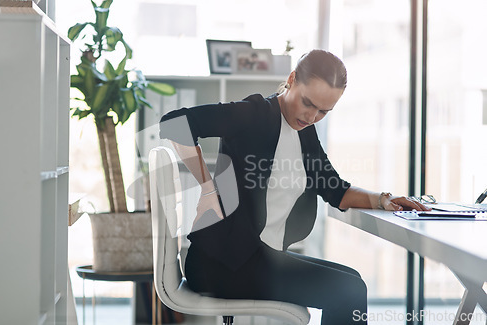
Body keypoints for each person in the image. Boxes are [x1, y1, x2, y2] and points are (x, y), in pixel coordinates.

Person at [158, 49, 430, 325]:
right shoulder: (253, 114)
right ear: (291, 80)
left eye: (324, 111)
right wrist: (207, 187)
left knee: (353, 281)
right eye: (308, 103)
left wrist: (386, 199)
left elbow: (336, 190)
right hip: (222, 264)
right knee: (349, 291)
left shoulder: (305, 134)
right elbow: (175, 123)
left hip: (259, 258)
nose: (312, 116)